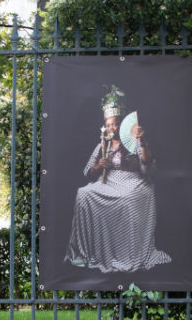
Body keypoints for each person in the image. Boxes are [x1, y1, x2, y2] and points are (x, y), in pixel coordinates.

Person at [64, 86, 171, 273]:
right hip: (109, 181)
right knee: (83, 194)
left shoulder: (135, 140)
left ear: (123, 123)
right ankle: (84, 252)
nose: (111, 127)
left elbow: (148, 168)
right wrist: (98, 166)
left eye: (115, 123)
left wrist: (142, 142)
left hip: (134, 181)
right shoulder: (103, 144)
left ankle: (126, 253)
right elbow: (87, 172)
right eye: (108, 124)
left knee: (127, 200)